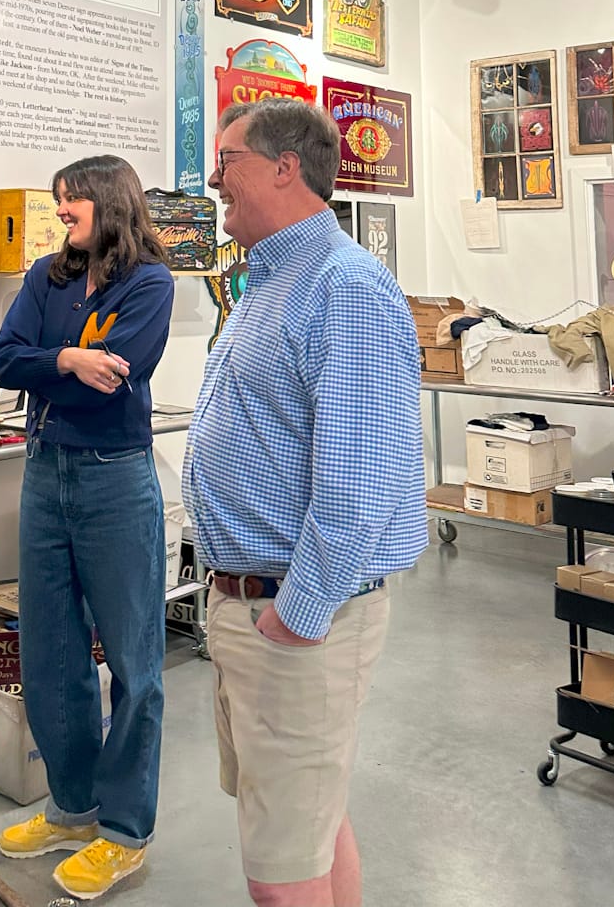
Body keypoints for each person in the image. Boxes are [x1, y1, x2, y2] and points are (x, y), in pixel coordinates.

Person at [182, 98, 427, 907]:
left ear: (286, 167)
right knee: (311, 822)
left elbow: (359, 484)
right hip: (252, 607)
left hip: (291, 622)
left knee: (281, 877)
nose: (214, 180)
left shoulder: (345, 286)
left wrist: (298, 613)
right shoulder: (270, 278)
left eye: (229, 161)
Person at [0, 153, 174, 901]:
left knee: (134, 660)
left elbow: (119, 376)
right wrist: (66, 357)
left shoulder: (151, 283)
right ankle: (71, 808)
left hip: (115, 477)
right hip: (45, 473)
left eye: (72, 205)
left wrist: (54, 366)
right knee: (52, 650)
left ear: (108, 200)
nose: (61, 216)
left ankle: (125, 832)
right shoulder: (47, 277)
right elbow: (6, 361)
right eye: (58, 206)